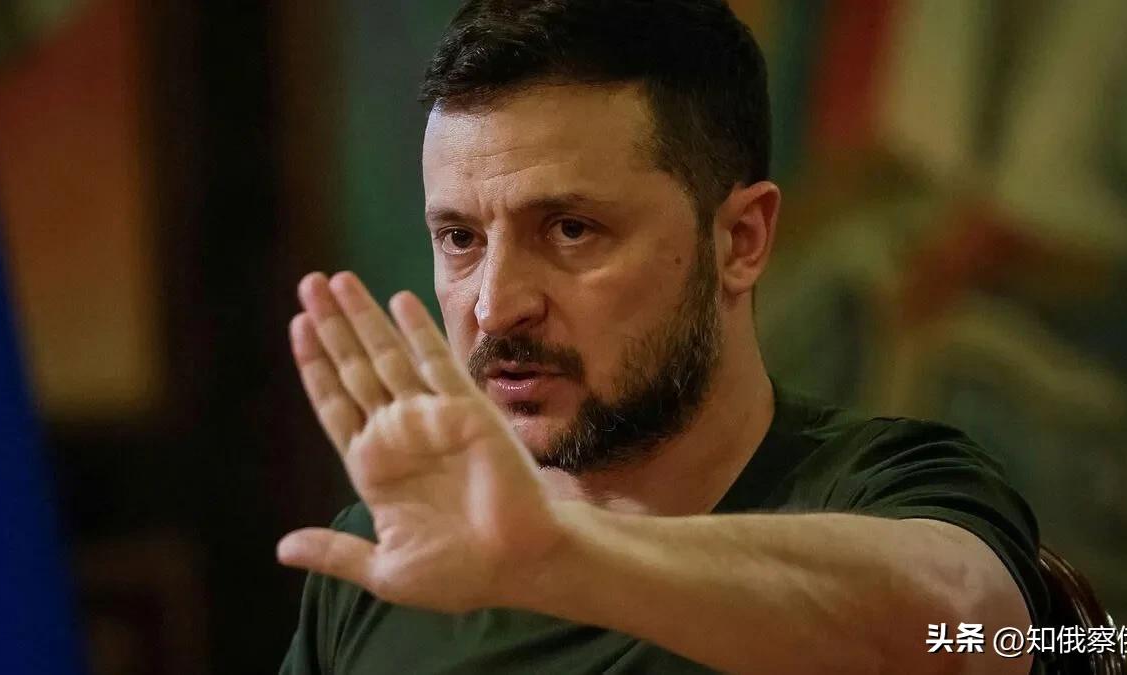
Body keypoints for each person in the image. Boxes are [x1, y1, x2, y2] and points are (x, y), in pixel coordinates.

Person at [277, 1, 1046, 673]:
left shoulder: (887, 485)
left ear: (740, 240)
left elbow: (974, 631)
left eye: (571, 229)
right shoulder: (395, 554)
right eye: (459, 238)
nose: (495, 306)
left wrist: (556, 556)